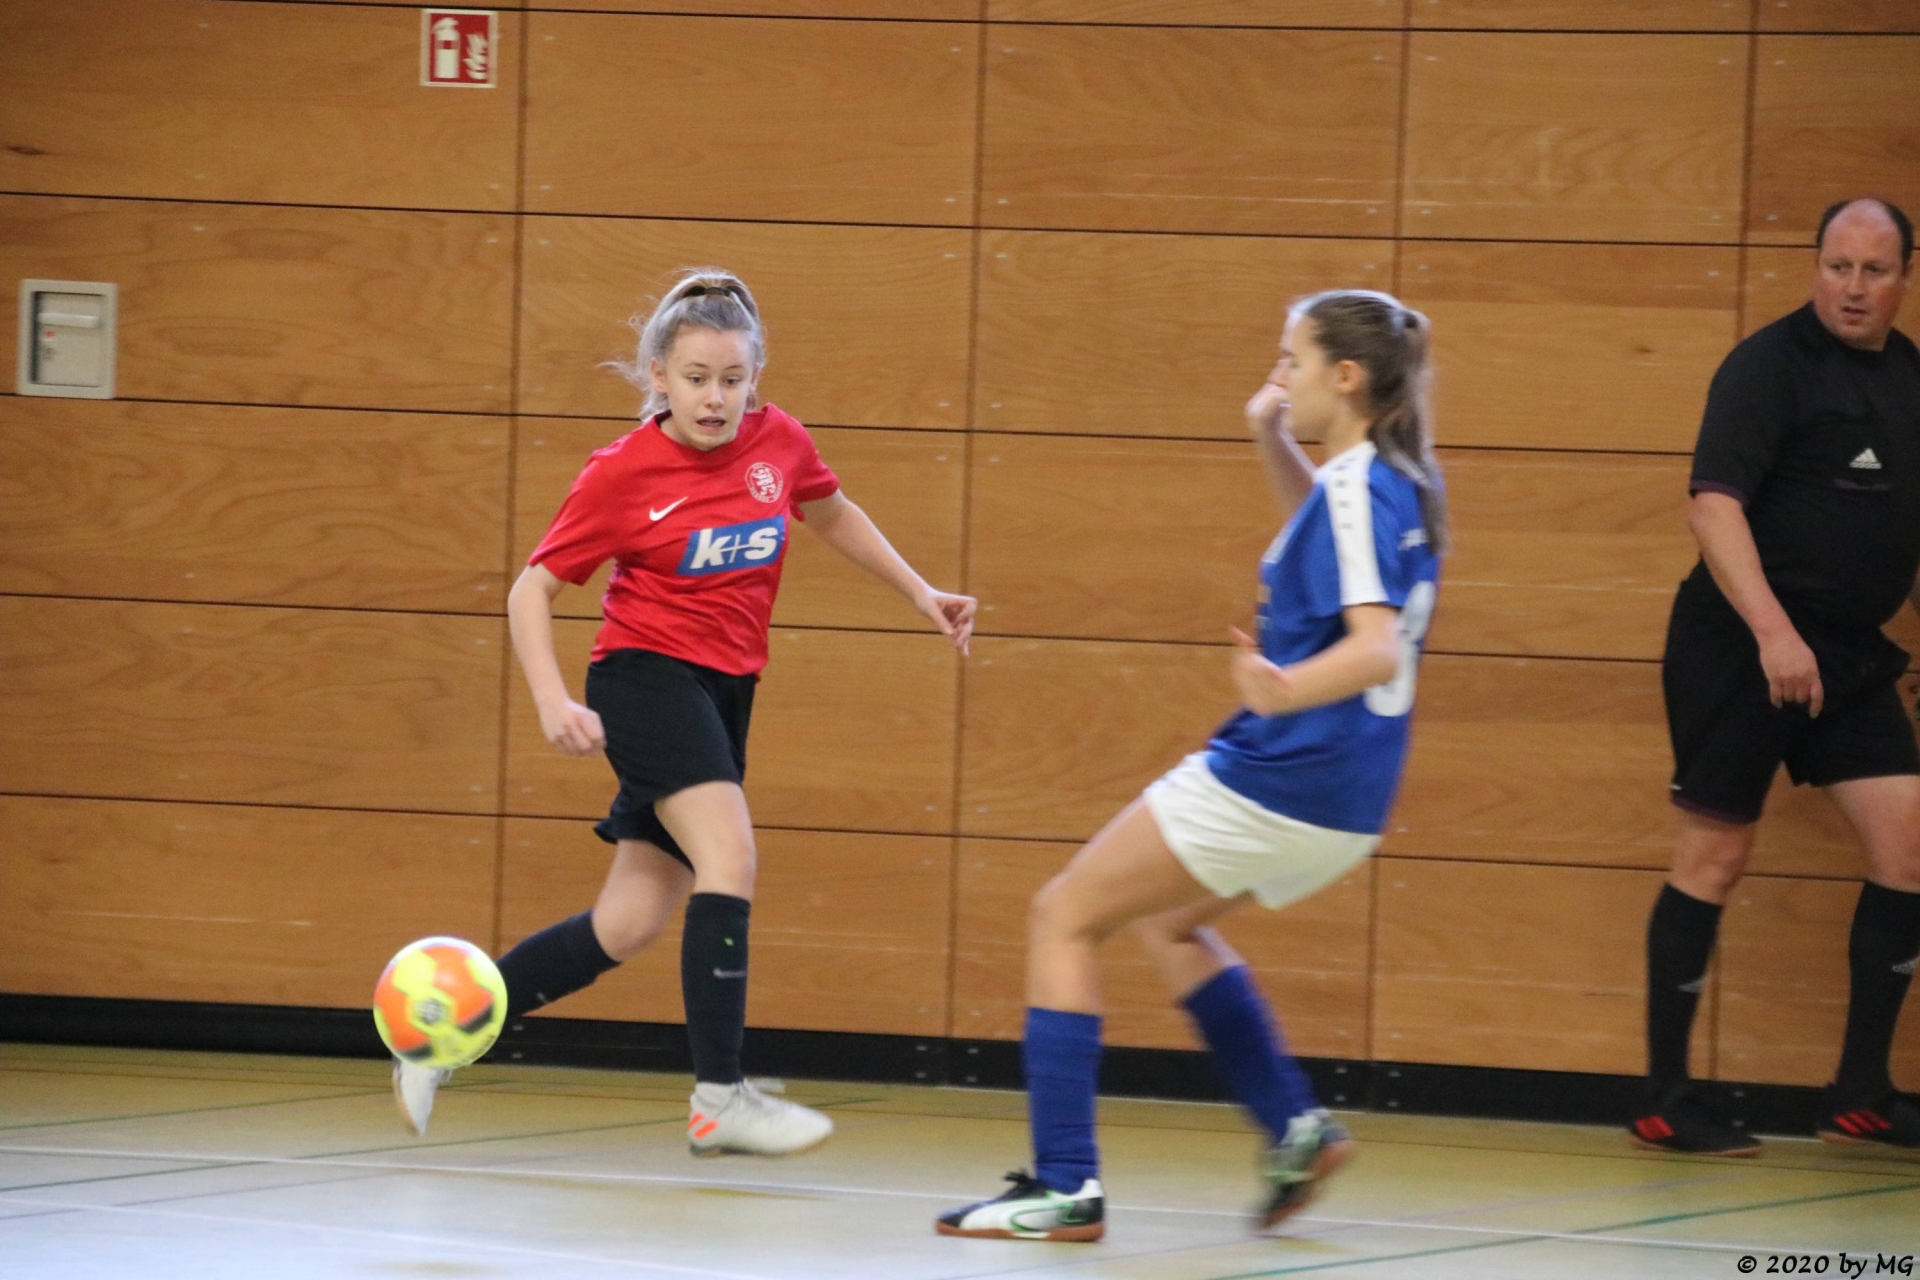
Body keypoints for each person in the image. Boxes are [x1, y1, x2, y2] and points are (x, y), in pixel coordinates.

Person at [392, 269, 977, 1156]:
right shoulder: (622, 473)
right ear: (659, 376)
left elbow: (830, 512)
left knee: (626, 923)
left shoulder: (779, 443)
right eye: (697, 378)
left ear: (755, 379)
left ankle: (438, 1039)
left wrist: (921, 591)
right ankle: (719, 1096)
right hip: (645, 679)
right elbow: (530, 589)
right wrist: (552, 699)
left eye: (733, 380)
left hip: (725, 692)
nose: (715, 398)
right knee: (730, 855)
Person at [937, 290, 1445, 1242]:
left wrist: (1280, 690)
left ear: (1345, 376)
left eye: (1292, 360)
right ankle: (1293, 1128)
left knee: (1063, 915)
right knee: (1171, 923)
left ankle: (1065, 1185)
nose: (1279, 375)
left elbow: (1376, 648)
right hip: (1350, 795)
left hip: (1287, 767)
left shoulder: (1356, 489)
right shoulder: (1388, 481)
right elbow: (1329, 542)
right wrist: (1271, 438)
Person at [1632, 198, 1920, 1156]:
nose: (1853, 287)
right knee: (1715, 855)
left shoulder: (1910, 378)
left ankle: (1859, 1094)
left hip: (1849, 656)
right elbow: (1713, 509)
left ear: (1904, 278)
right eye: (1838, 266)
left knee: (1908, 847)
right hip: (1740, 644)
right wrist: (1772, 633)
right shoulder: (1767, 367)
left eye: (1874, 270)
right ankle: (1666, 1099)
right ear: (1816, 267)